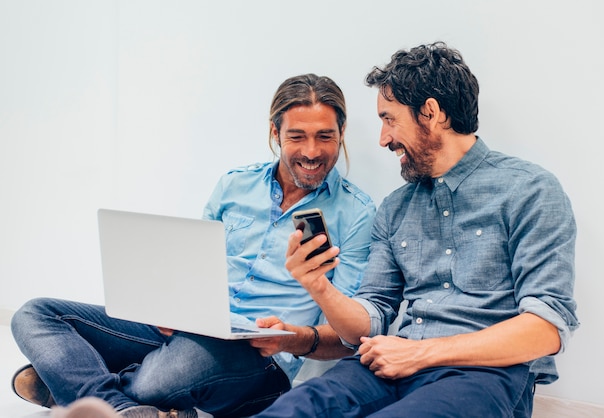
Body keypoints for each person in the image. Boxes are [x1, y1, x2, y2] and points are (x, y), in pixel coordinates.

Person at [10, 73, 376, 418]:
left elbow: (347, 337)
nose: (312, 152)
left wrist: (290, 338)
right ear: (275, 132)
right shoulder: (234, 186)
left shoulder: (357, 213)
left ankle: (73, 385)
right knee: (35, 314)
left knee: (172, 370)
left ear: (342, 133)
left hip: (261, 359)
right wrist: (170, 306)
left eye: (325, 136)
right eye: (297, 136)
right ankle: (120, 407)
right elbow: (194, 269)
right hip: (189, 332)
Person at [251, 42, 579, 418]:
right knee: (288, 411)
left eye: (389, 119)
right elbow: (368, 322)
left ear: (431, 113)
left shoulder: (530, 190)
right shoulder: (395, 207)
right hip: (387, 367)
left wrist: (421, 353)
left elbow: (547, 328)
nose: (382, 138)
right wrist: (318, 286)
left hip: (484, 375)